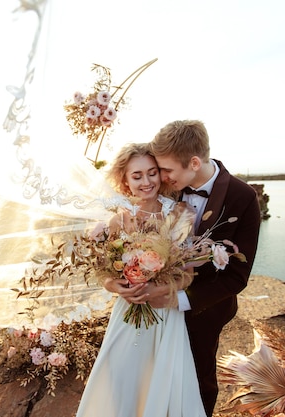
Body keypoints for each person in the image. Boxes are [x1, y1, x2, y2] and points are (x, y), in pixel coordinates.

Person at [108, 120, 261, 415]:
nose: (159, 177)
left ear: (193, 162)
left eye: (164, 170)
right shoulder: (167, 188)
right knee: (145, 378)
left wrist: (178, 298)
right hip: (146, 306)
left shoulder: (243, 198)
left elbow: (238, 276)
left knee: (197, 381)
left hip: (203, 308)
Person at [76, 143, 207, 417]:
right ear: (124, 180)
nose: (146, 182)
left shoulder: (180, 213)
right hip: (127, 311)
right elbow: (103, 269)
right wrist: (114, 285)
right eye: (137, 176)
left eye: (152, 173)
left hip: (164, 313)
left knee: (163, 384)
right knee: (121, 378)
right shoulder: (118, 219)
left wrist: (156, 289)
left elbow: (187, 275)